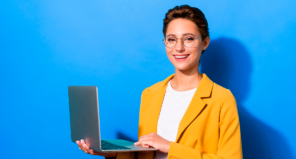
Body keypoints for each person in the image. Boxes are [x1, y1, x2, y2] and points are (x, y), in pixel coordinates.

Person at [76, 5, 243, 159]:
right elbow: (143, 153)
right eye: (171, 39)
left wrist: (170, 147)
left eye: (189, 39)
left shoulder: (222, 99)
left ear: (205, 43)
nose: (179, 48)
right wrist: (107, 152)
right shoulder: (150, 94)